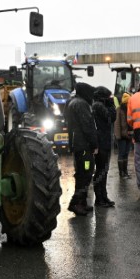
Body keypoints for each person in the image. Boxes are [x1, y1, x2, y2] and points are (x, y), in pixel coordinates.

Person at [65, 82, 99, 215]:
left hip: (78, 145)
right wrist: (94, 144)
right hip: (84, 146)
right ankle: (76, 203)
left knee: (82, 173)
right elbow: (87, 126)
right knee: (85, 172)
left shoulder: (72, 102)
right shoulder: (81, 104)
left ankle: (82, 202)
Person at [91, 86, 117, 207]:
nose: (110, 98)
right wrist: (111, 105)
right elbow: (111, 117)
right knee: (101, 171)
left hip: (103, 142)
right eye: (109, 96)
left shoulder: (97, 105)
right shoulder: (98, 106)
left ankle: (103, 196)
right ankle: (100, 199)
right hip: (102, 143)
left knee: (103, 171)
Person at [114, 92, 133, 179]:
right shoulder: (119, 110)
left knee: (126, 154)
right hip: (121, 136)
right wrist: (118, 136)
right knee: (122, 154)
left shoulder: (130, 110)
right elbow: (117, 124)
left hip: (128, 135)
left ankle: (125, 172)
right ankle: (121, 173)